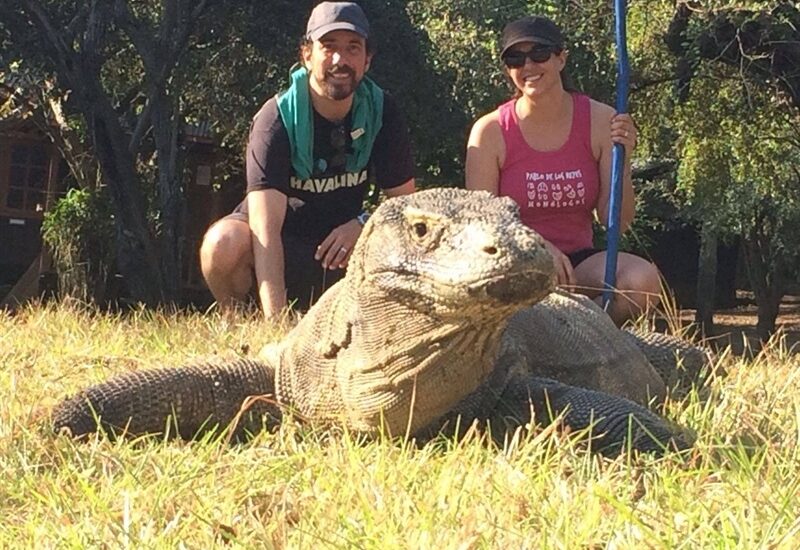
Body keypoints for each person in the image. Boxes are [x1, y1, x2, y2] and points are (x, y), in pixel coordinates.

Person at [201, 2, 416, 318]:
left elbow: (406, 208)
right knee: (223, 243)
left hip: (341, 249)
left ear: (367, 60)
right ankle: (240, 324)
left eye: (353, 48)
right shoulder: (275, 120)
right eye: (328, 47)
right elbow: (265, 233)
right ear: (306, 55)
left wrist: (364, 224)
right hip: (279, 248)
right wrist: (275, 326)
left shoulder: (383, 111)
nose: (340, 60)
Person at [465, 15, 660, 326]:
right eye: (515, 58)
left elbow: (616, 224)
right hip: (515, 264)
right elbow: (481, 225)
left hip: (578, 268)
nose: (528, 66)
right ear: (507, 69)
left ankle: (580, 336)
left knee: (644, 282)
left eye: (539, 54)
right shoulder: (489, 131)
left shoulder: (601, 120)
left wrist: (622, 161)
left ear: (561, 58)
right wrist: (536, 248)